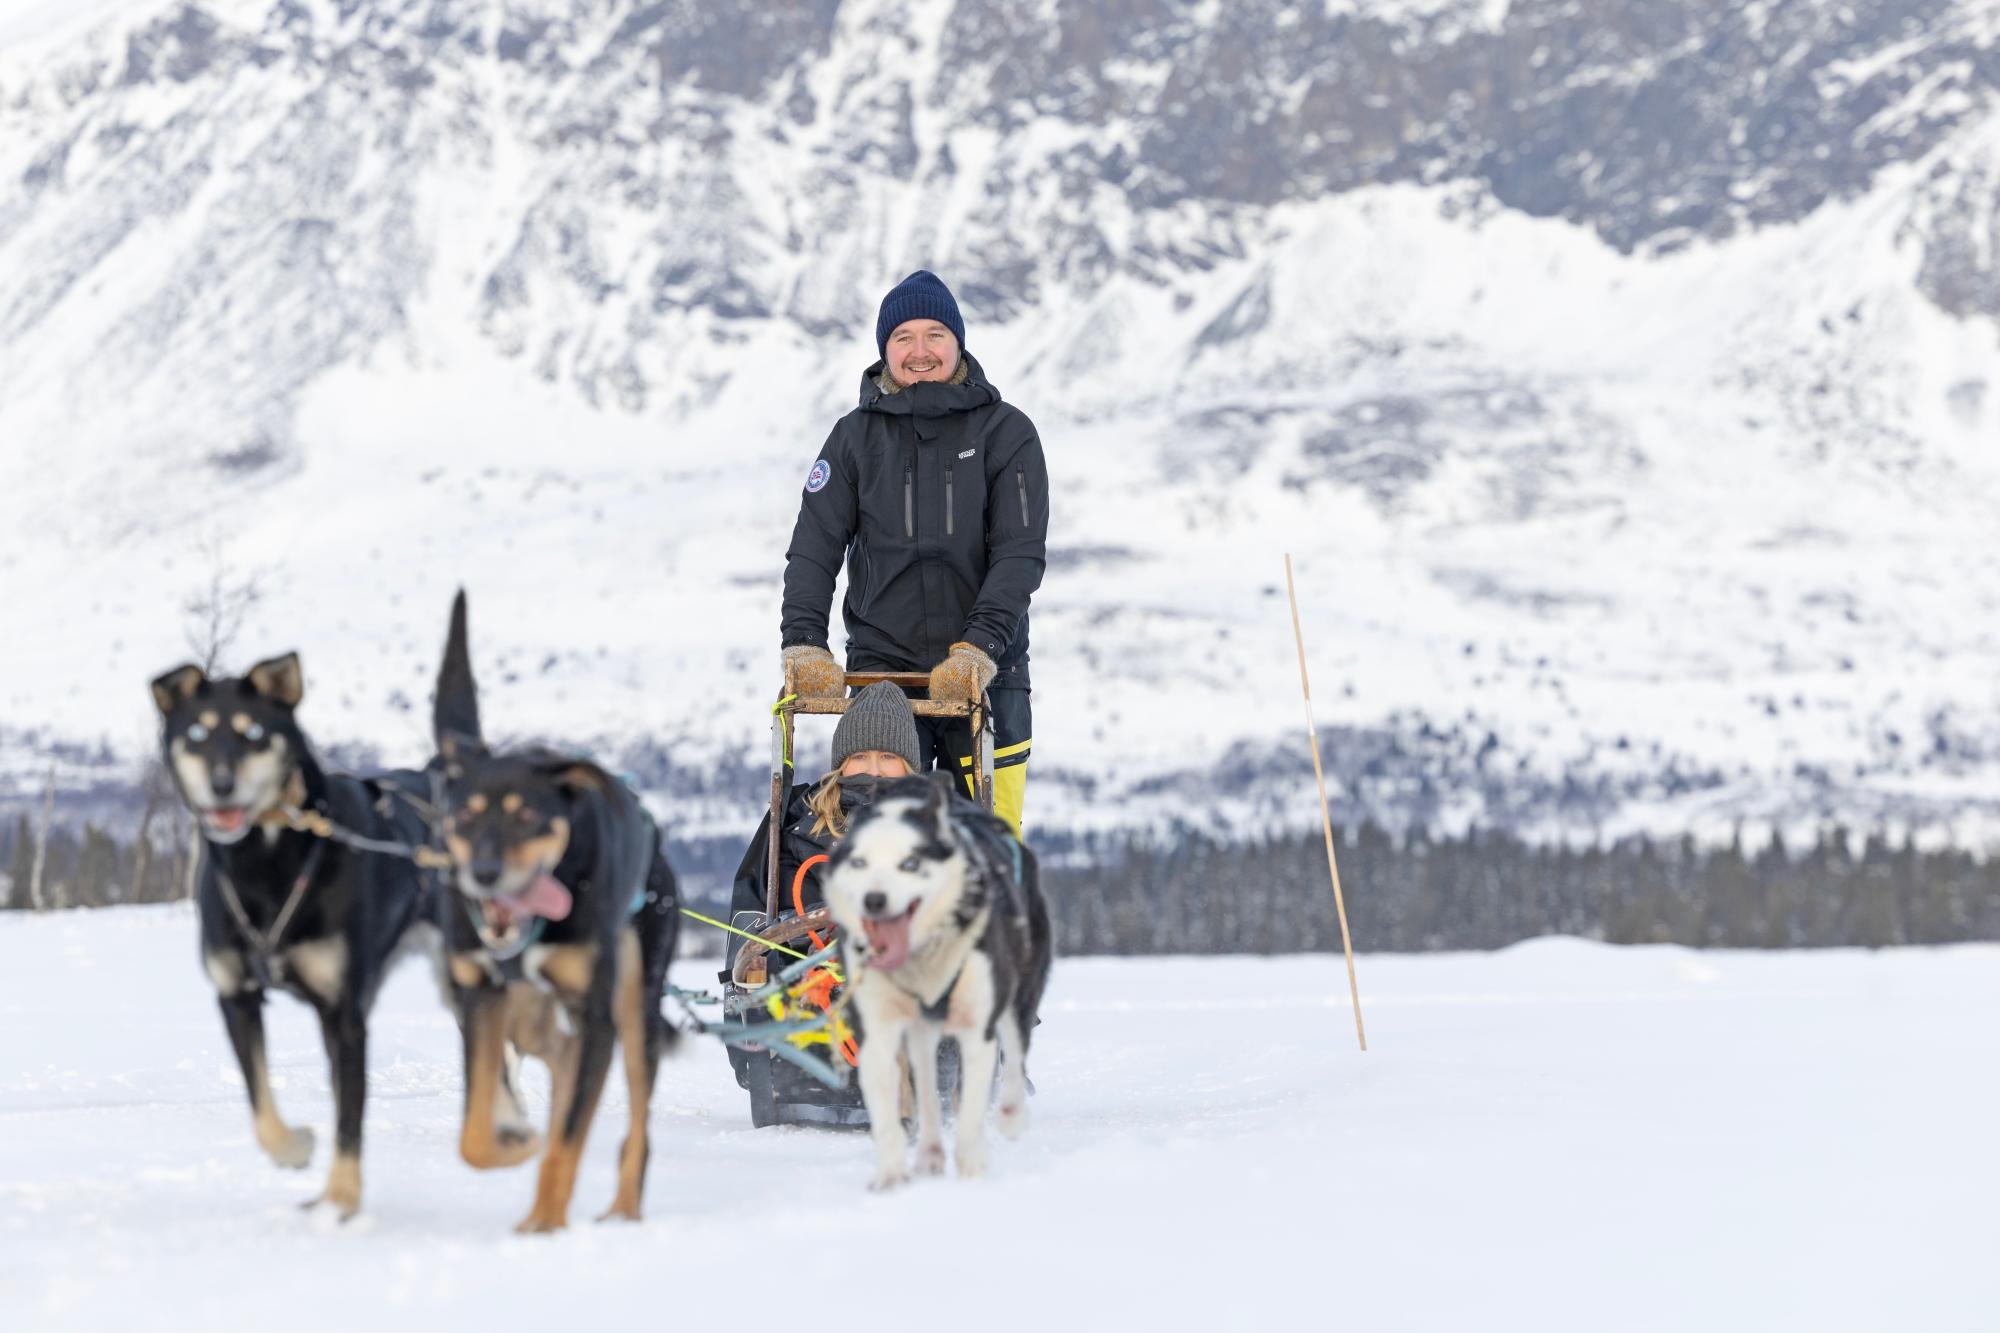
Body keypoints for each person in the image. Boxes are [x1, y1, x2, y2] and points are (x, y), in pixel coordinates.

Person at [778, 270, 1048, 837]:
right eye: (903, 338)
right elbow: (813, 548)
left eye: (934, 336)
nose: (920, 352)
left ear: (958, 344)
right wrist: (803, 642)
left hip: (988, 673)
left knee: (990, 847)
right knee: (876, 839)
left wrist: (978, 649)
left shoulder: (1008, 433)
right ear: (884, 351)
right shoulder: (853, 439)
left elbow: (1019, 555)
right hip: (884, 675)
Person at [727, 680, 923, 931]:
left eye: (888, 756)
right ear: (842, 764)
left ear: (908, 766)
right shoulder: (805, 829)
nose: (874, 770)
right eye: (860, 756)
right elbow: (791, 919)